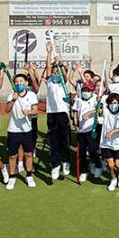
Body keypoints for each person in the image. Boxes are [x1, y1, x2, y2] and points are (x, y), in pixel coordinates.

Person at [5, 71, 40, 189]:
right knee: (12, 156)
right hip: (13, 130)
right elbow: (7, 110)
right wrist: (13, 100)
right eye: (17, 82)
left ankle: (29, 175)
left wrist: (28, 112)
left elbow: (35, 110)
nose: (18, 83)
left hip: (27, 130)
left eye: (21, 81)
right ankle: (12, 177)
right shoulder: (12, 95)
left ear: (26, 83)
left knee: (28, 154)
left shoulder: (31, 95)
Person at [41, 43, 72, 180]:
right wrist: (49, 53)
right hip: (52, 113)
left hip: (63, 113)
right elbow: (48, 67)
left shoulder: (63, 82)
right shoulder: (50, 82)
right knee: (54, 140)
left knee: (64, 140)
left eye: (57, 71)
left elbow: (65, 74)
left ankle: (65, 161)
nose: (55, 72)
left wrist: (61, 64)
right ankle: (55, 165)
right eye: (53, 71)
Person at [71, 81, 101, 183]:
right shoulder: (78, 100)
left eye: (87, 90)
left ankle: (98, 165)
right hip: (81, 130)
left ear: (92, 91)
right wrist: (75, 125)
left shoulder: (95, 99)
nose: (85, 92)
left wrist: (89, 112)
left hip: (91, 128)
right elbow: (75, 113)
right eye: (84, 90)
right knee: (81, 152)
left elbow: (99, 110)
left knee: (92, 150)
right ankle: (84, 170)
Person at [100, 92, 119, 191]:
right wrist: (98, 104)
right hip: (107, 143)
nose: (113, 105)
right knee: (110, 165)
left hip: (118, 144)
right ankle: (113, 179)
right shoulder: (106, 111)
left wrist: (113, 131)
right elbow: (98, 111)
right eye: (111, 103)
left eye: (115, 103)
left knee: (118, 164)